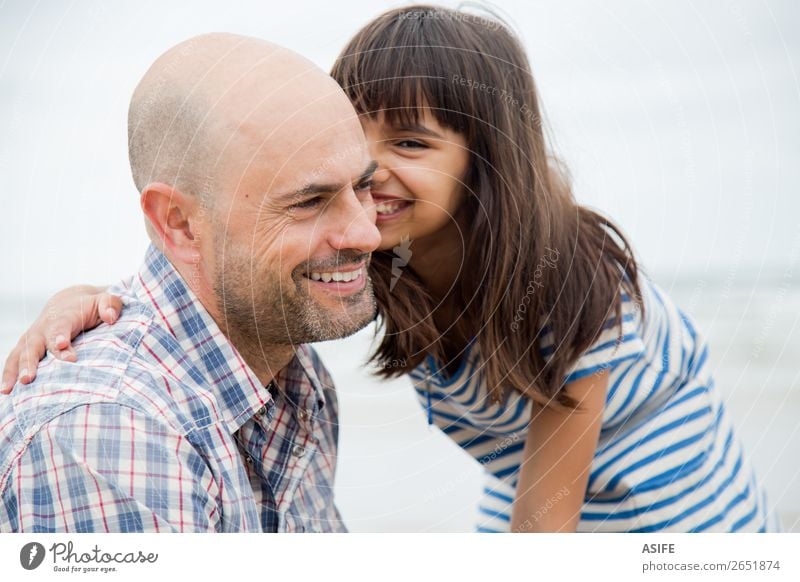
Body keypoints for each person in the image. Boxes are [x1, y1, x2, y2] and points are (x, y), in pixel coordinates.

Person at [3, 5, 781, 533]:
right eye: (354, 132)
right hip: (521, 491)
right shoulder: (381, 251)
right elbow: (234, 281)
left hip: (668, 509)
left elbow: (544, 533)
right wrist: (91, 304)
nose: (369, 172)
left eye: (410, 143)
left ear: (488, 163)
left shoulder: (575, 294)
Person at [0, 32, 381, 532]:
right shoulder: (108, 434)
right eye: (309, 202)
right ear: (178, 223)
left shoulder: (293, 370)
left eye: (364, 185)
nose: (367, 233)